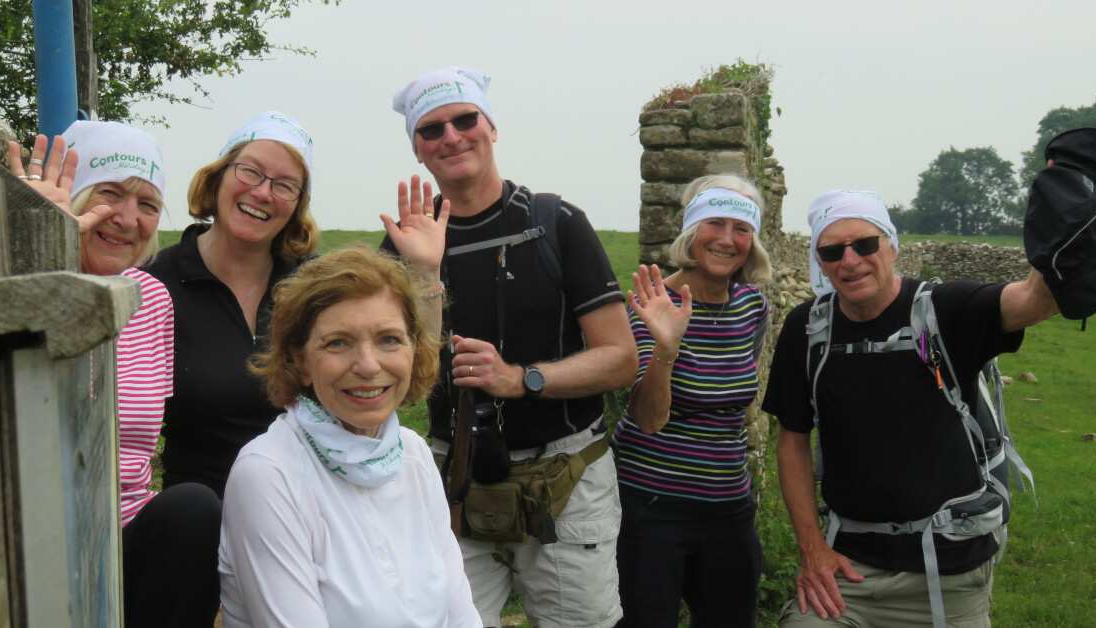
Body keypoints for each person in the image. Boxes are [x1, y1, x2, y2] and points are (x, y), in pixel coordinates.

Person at [386, 66, 637, 628]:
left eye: (464, 119)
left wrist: (521, 379)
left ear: (490, 128)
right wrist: (422, 273)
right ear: (419, 152)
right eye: (431, 130)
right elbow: (402, 380)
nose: (451, 136)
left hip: (566, 479)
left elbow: (620, 356)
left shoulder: (555, 223)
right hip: (455, 482)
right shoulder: (404, 244)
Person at [762, 190, 1060, 628]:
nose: (850, 260)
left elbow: (1034, 302)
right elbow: (792, 438)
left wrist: (1060, 218)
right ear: (820, 261)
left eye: (865, 244)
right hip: (849, 571)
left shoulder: (944, 310)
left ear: (892, 246)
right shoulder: (807, 328)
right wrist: (812, 549)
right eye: (831, 251)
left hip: (949, 570)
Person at [8, 122, 222, 627]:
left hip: (122, 530)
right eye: (109, 193)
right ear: (74, 196)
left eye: (147, 204)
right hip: (28, 528)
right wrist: (39, 244)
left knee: (193, 509)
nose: (126, 218)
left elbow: (143, 444)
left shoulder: (152, 300)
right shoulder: (14, 278)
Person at [218, 245, 481, 627]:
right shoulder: (268, 474)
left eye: (389, 339)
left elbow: (460, 614)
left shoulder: (414, 455)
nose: (368, 365)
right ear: (300, 360)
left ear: (413, 349)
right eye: (338, 342)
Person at [612, 175, 772, 627]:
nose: (727, 239)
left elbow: (737, 399)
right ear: (690, 231)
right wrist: (667, 347)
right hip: (651, 505)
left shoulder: (751, 305)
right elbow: (646, 417)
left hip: (728, 508)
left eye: (741, 228)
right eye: (714, 223)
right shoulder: (653, 304)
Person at [146, 111, 320, 498]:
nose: (262, 192)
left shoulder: (315, 287)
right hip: (202, 520)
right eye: (250, 172)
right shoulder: (157, 282)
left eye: (284, 185)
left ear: (296, 205)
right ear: (219, 175)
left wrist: (425, 269)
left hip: (310, 517)